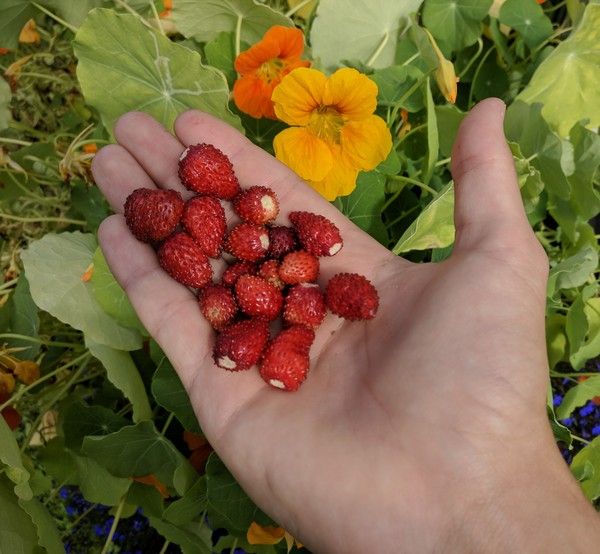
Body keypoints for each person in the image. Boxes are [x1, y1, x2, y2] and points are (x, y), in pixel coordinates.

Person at [91, 98, 600, 553]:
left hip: (270, 295)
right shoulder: (248, 262)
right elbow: (246, 270)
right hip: (256, 288)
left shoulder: (286, 279)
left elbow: (279, 281)